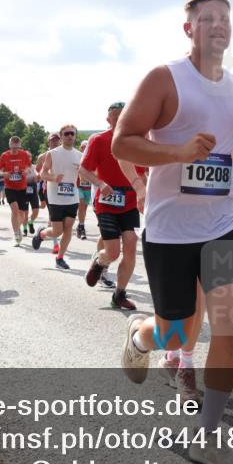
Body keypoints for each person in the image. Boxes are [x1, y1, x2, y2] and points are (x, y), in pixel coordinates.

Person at [112, 0, 233, 464]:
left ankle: (208, 437)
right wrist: (176, 153)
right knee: (176, 331)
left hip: (223, 226)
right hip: (170, 230)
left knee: (229, 325)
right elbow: (120, 140)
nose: (218, 25)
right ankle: (140, 336)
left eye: (225, 19)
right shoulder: (165, 79)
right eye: (207, 18)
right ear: (188, 28)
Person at [81, 102, 145, 311]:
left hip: (129, 203)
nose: (119, 120)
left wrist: (145, 194)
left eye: (123, 116)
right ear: (108, 120)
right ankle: (100, 262)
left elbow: (143, 172)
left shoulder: (137, 142)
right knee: (113, 252)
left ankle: (119, 294)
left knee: (130, 245)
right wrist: (100, 183)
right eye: (115, 117)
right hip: (106, 203)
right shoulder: (99, 140)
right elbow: (83, 170)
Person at [32, 126, 83, 269]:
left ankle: (60, 258)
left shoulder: (79, 155)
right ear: (61, 137)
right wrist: (54, 177)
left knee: (68, 229)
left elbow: (85, 174)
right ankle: (41, 233)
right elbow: (42, 174)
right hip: (55, 197)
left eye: (72, 133)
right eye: (66, 134)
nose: (70, 136)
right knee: (57, 231)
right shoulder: (52, 154)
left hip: (72, 197)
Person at [0, 136, 33, 245]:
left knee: (22, 214)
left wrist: (26, 171)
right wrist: (3, 174)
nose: (15, 150)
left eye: (17, 148)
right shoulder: (5, 155)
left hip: (22, 187)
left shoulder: (24, 154)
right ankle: (16, 233)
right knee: (15, 210)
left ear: (20, 146)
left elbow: (30, 167)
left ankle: (18, 227)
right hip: (10, 187)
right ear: (10, 145)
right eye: (13, 148)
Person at [76, 139, 92, 240]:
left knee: (84, 210)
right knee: (81, 206)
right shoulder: (77, 158)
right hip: (79, 187)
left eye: (86, 147)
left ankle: (80, 224)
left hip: (88, 188)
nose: (84, 148)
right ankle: (82, 228)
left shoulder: (92, 158)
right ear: (80, 148)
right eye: (83, 147)